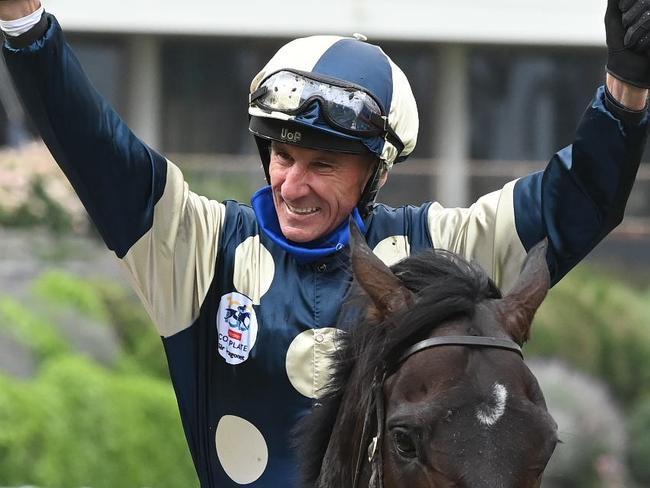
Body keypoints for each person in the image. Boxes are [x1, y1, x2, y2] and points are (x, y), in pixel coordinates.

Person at [1, 0, 649, 486]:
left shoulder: (441, 247)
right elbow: (93, 144)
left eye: (324, 165)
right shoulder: (198, 249)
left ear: (376, 173)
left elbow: (578, 200)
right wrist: (24, 22)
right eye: (283, 156)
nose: (293, 184)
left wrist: (625, 86)